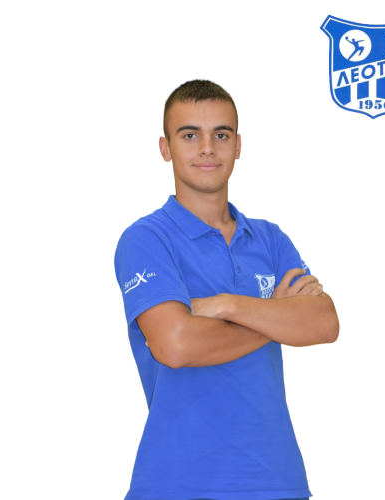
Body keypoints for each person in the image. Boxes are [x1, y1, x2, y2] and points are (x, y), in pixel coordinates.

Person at [114, 79, 340, 500]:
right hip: (176, 482)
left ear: (238, 146)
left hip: (278, 480)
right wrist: (274, 316)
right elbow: (175, 345)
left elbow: (324, 323)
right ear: (165, 148)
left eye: (221, 135)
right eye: (189, 135)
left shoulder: (270, 239)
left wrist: (225, 305)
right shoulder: (146, 239)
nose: (207, 148)